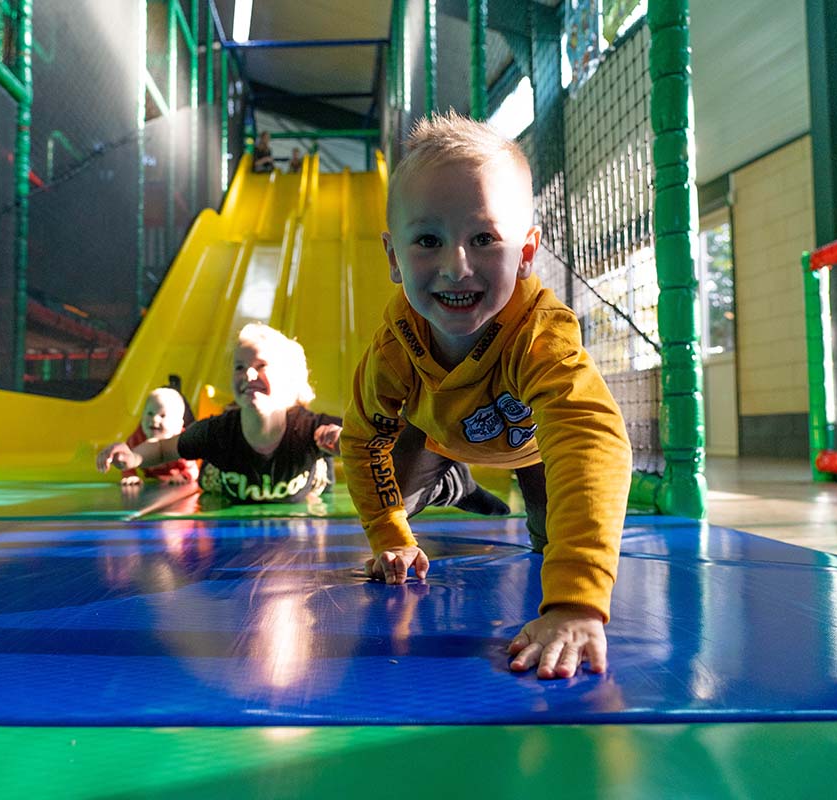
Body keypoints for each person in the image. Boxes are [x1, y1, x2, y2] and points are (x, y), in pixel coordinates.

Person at [340, 111, 632, 680]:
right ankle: (450, 478)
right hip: (439, 435)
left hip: (537, 451)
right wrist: (389, 535)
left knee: (553, 542)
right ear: (394, 257)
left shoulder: (538, 335)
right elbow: (362, 438)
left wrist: (575, 602)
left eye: (483, 238)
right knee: (391, 492)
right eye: (428, 240)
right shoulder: (395, 348)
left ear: (525, 254)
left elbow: (589, 440)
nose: (457, 266)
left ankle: (468, 483)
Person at [98, 323, 342, 505]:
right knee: (210, 477)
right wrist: (132, 457)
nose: (248, 375)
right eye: (239, 367)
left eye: (261, 366)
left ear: (288, 378)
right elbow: (164, 449)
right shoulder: (217, 432)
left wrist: (343, 440)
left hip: (298, 476)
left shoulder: (310, 428)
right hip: (228, 478)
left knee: (323, 461)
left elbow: (369, 437)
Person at [104, 387, 199, 486]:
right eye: (150, 413)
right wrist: (129, 475)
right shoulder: (137, 437)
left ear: (178, 425)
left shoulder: (181, 443)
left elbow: (193, 470)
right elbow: (127, 460)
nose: (154, 420)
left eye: (163, 416)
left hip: (173, 483)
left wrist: (183, 476)